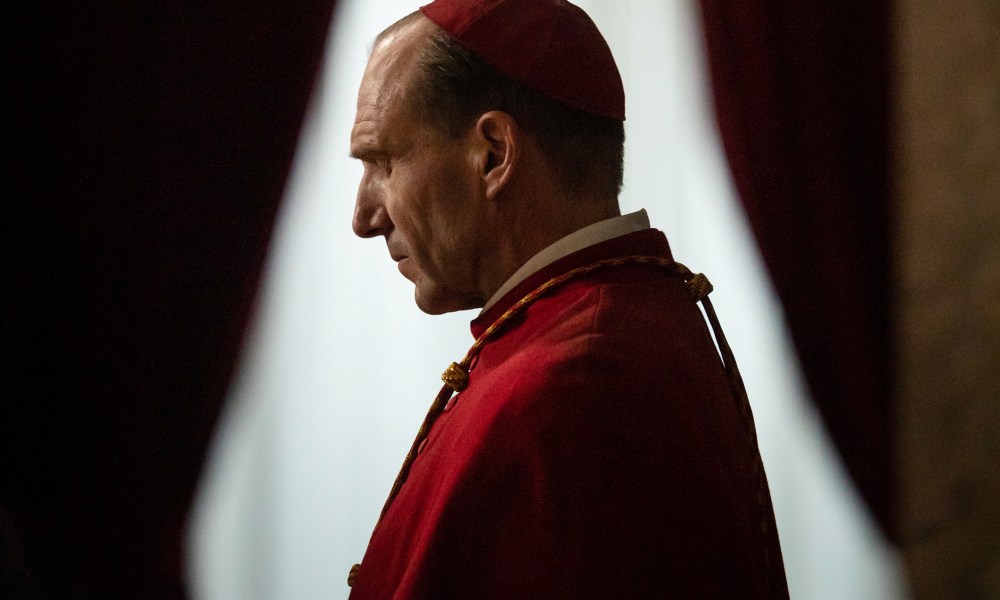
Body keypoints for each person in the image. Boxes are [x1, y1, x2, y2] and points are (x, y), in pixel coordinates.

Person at [347, 0, 789, 597]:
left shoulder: (573, 386)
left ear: (494, 154)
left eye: (383, 162)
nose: (364, 217)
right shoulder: (611, 324)